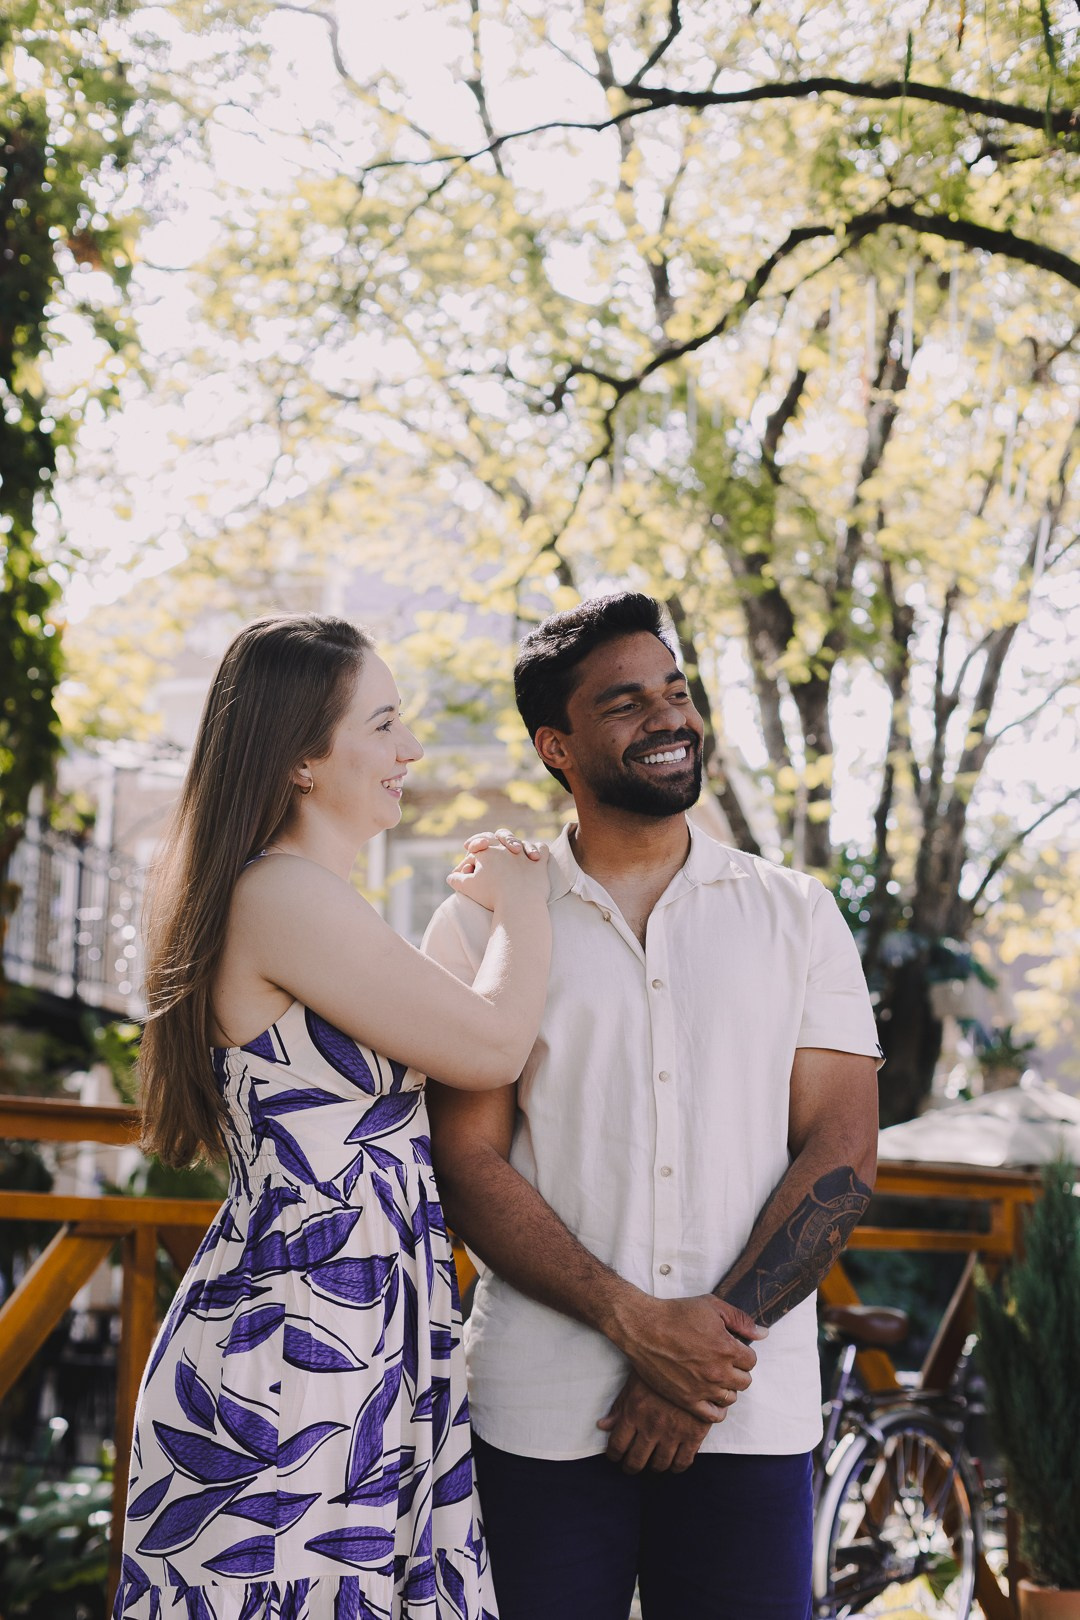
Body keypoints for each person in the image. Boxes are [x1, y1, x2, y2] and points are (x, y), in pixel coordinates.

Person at [423, 592, 881, 1620]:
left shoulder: (798, 914)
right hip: (538, 1414)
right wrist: (636, 1323)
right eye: (624, 704)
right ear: (557, 745)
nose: (669, 718)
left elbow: (844, 1151)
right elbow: (468, 1162)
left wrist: (693, 1367)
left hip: (748, 1415)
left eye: (674, 691)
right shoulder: (484, 920)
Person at [112, 613, 551, 1620]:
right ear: (304, 758)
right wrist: (526, 908)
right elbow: (490, 1046)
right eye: (386, 724)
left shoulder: (310, 900)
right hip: (301, 1341)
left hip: (350, 1323)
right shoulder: (281, 894)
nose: (412, 751)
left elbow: (447, 1044)